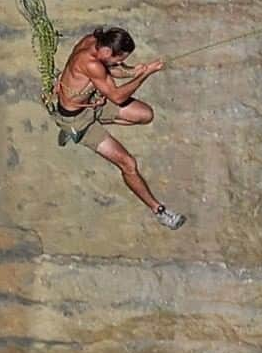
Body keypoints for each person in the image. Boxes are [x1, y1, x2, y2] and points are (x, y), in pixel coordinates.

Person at [53, 26, 186, 230]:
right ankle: (159, 211)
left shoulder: (93, 42)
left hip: (92, 102)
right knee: (128, 164)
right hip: (76, 119)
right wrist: (144, 75)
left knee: (145, 115)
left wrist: (133, 70)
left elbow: (111, 68)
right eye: (118, 58)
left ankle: (97, 121)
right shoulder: (91, 64)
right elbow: (116, 96)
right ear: (107, 51)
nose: (118, 63)